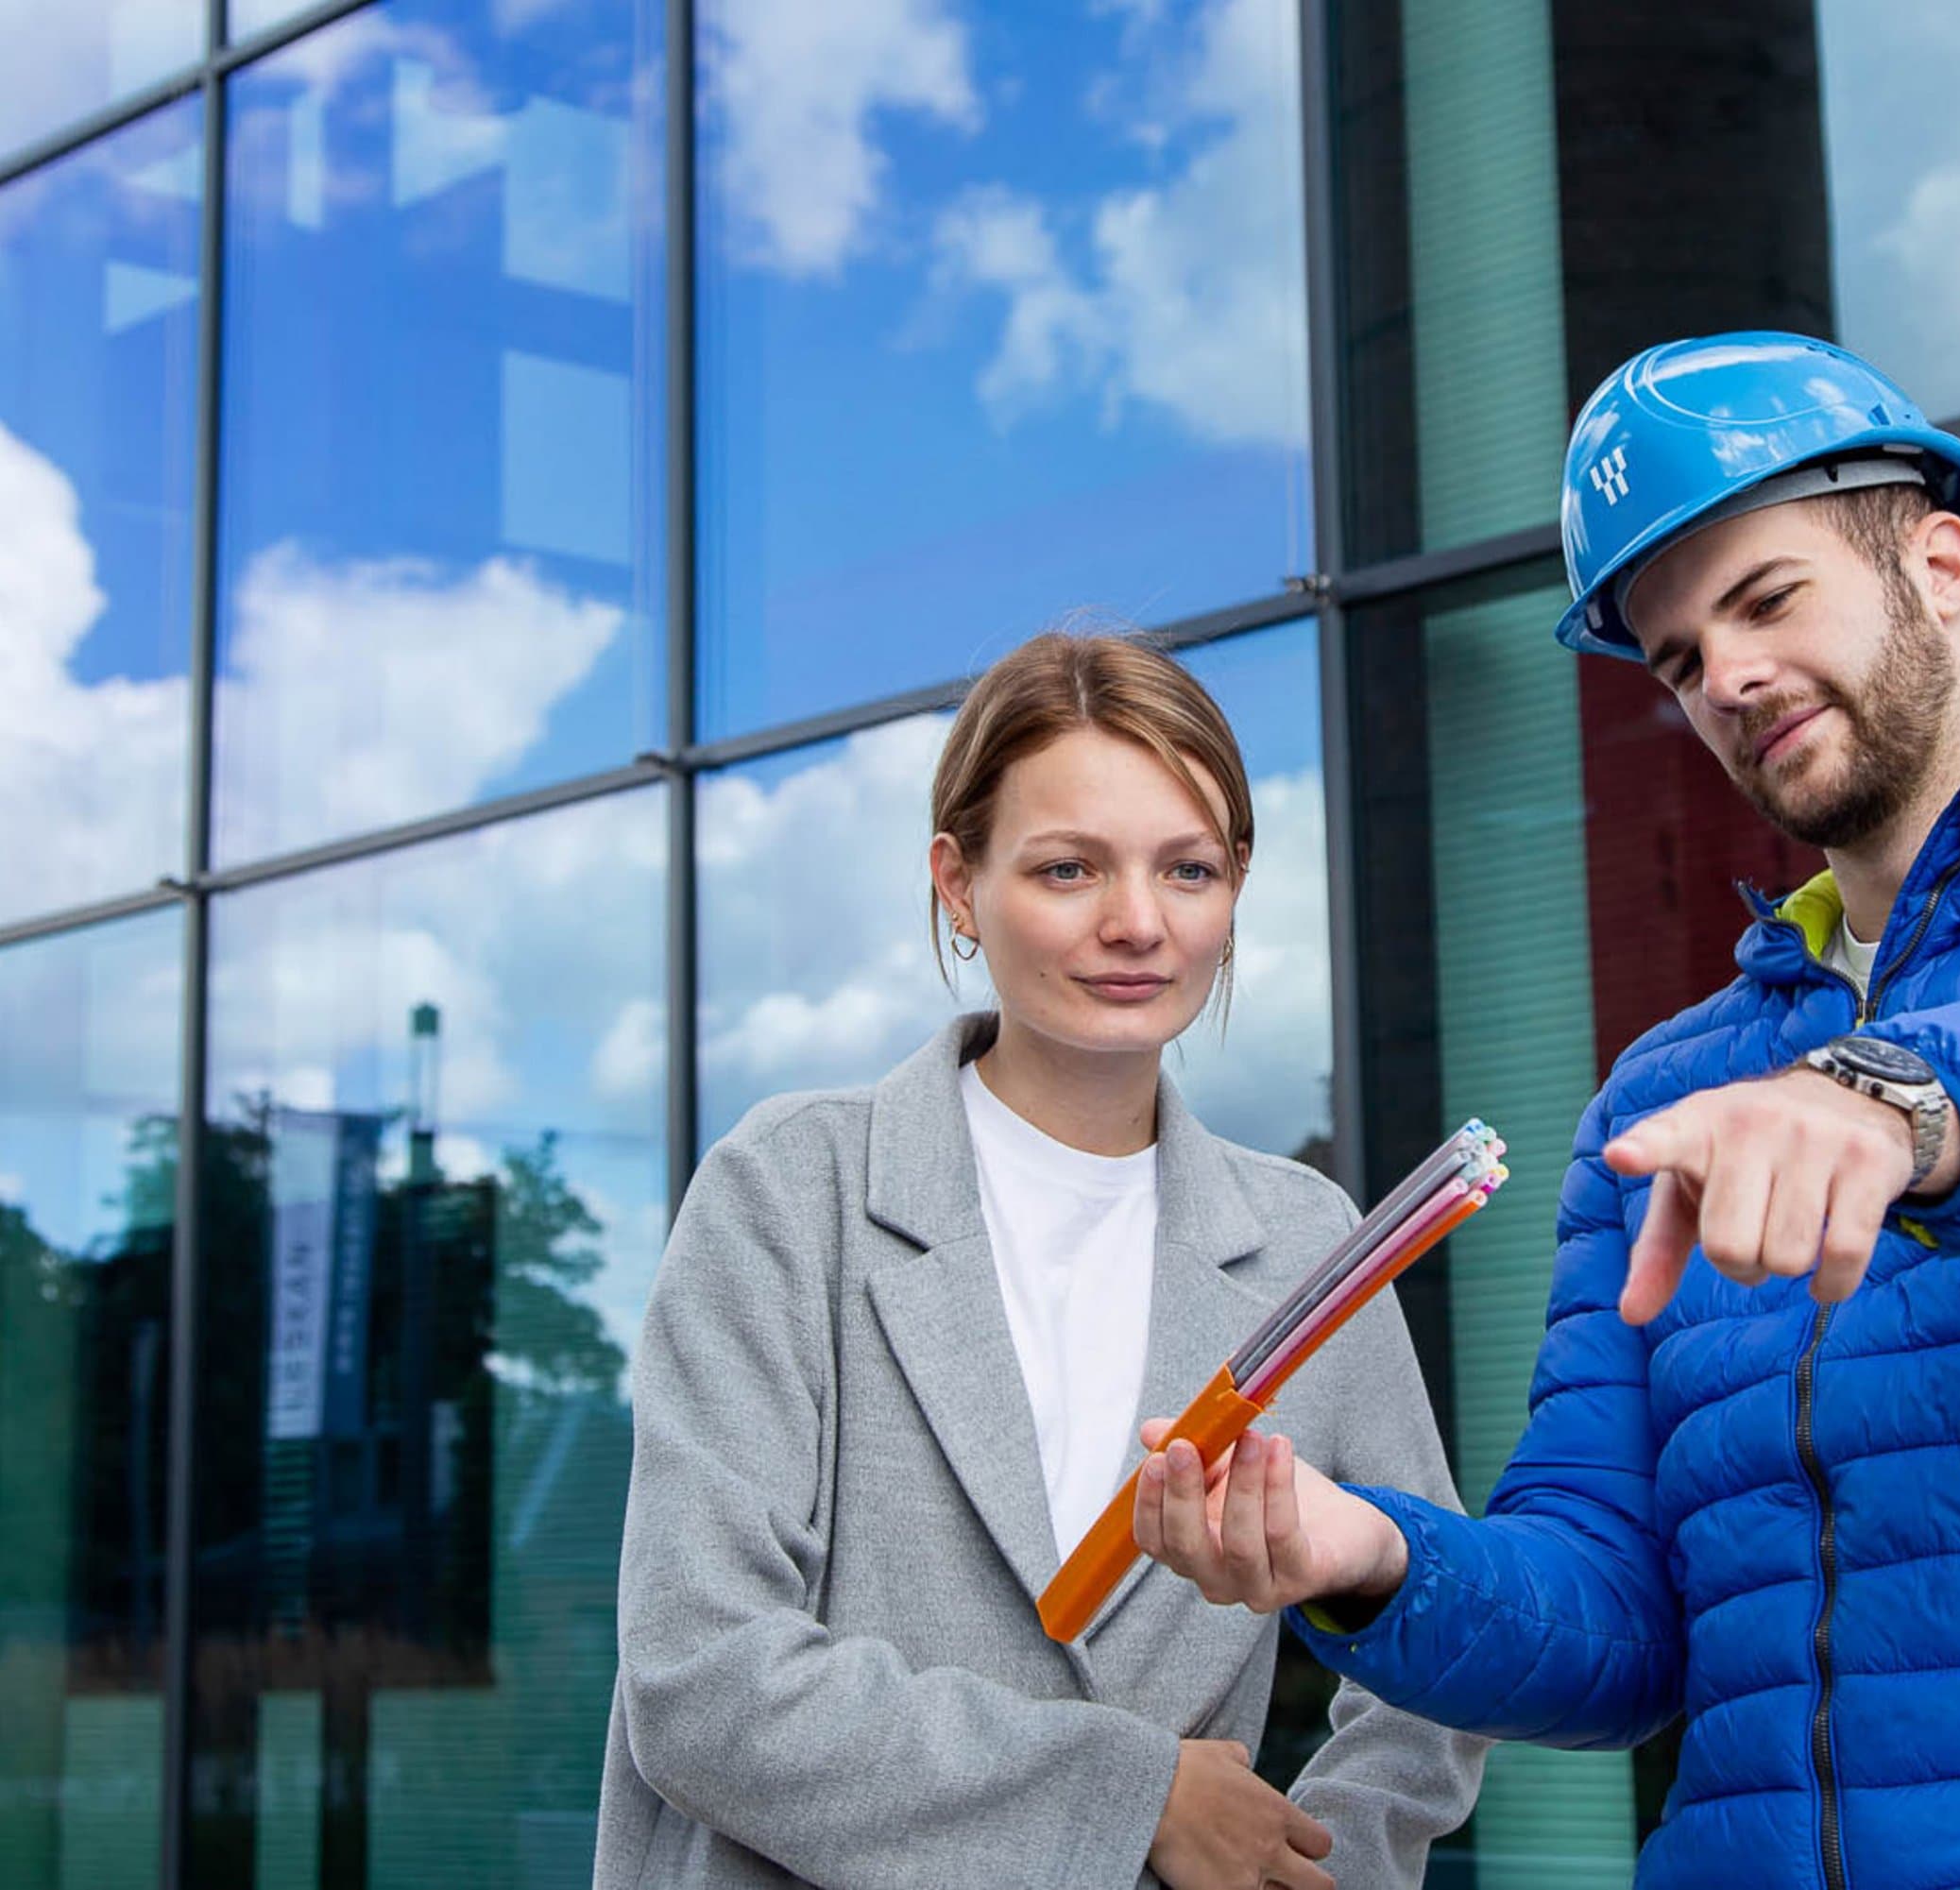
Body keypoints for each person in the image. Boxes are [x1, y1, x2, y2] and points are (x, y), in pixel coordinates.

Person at [1131, 332, 1960, 1889]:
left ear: (1941, 558)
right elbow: (1620, 1618)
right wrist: (1367, 1561)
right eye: (1680, 656)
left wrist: (1900, 1101)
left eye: (1764, 599)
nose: (1727, 679)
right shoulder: (1672, 1095)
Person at [595, 632, 1484, 1889]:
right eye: (1069, 868)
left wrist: (1321, 1858)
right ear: (957, 884)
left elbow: (1438, 1643)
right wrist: (1134, 1801)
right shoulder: (791, 1189)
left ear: (1236, 888)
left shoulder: (1303, 1242)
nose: (1137, 923)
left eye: (1188, 869)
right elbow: (697, 1674)